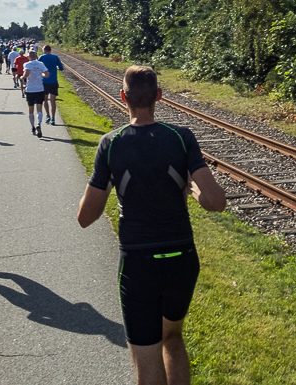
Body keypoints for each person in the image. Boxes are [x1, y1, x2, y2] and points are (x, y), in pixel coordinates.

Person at [77, 66, 226, 385]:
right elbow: (216, 201)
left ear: (123, 97)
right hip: (182, 258)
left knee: (146, 360)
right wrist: (196, 191)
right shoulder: (182, 137)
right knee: (172, 336)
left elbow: (85, 217)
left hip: (138, 263)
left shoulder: (110, 144)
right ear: (159, 96)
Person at [22, 50, 49, 137]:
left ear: (28, 57)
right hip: (39, 89)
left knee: (31, 109)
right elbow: (47, 74)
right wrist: (42, 75)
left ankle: (33, 127)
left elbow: (27, 73)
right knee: (39, 108)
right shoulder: (40, 64)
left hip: (30, 89)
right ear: (36, 56)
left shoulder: (27, 64)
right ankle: (39, 124)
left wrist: (22, 77)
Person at [38, 44, 64, 126]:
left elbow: (38, 67)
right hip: (53, 81)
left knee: (44, 100)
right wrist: (56, 67)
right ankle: (53, 118)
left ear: (45, 50)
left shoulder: (42, 57)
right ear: (50, 50)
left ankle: (47, 115)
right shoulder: (55, 57)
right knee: (53, 101)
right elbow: (61, 68)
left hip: (44, 81)